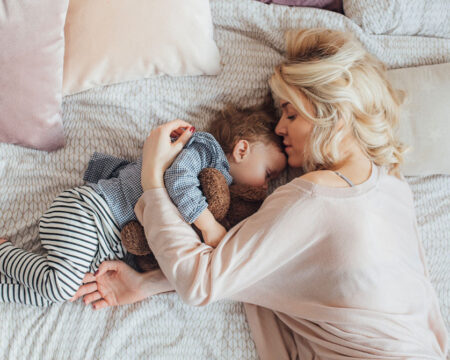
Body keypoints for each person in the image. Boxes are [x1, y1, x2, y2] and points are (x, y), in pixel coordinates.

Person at [72, 29, 448, 358]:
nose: (280, 128)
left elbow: (203, 281)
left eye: (291, 114)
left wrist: (153, 179)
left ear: (335, 113)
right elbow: (254, 266)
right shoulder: (395, 188)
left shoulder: (313, 197)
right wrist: (145, 284)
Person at [0, 108, 286, 306]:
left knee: (63, 292)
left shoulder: (226, 198)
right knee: (60, 286)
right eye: (269, 174)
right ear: (242, 149)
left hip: (104, 245)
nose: (264, 188)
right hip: (92, 214)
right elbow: (177, 179)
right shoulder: (205, 150)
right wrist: (208, 225)